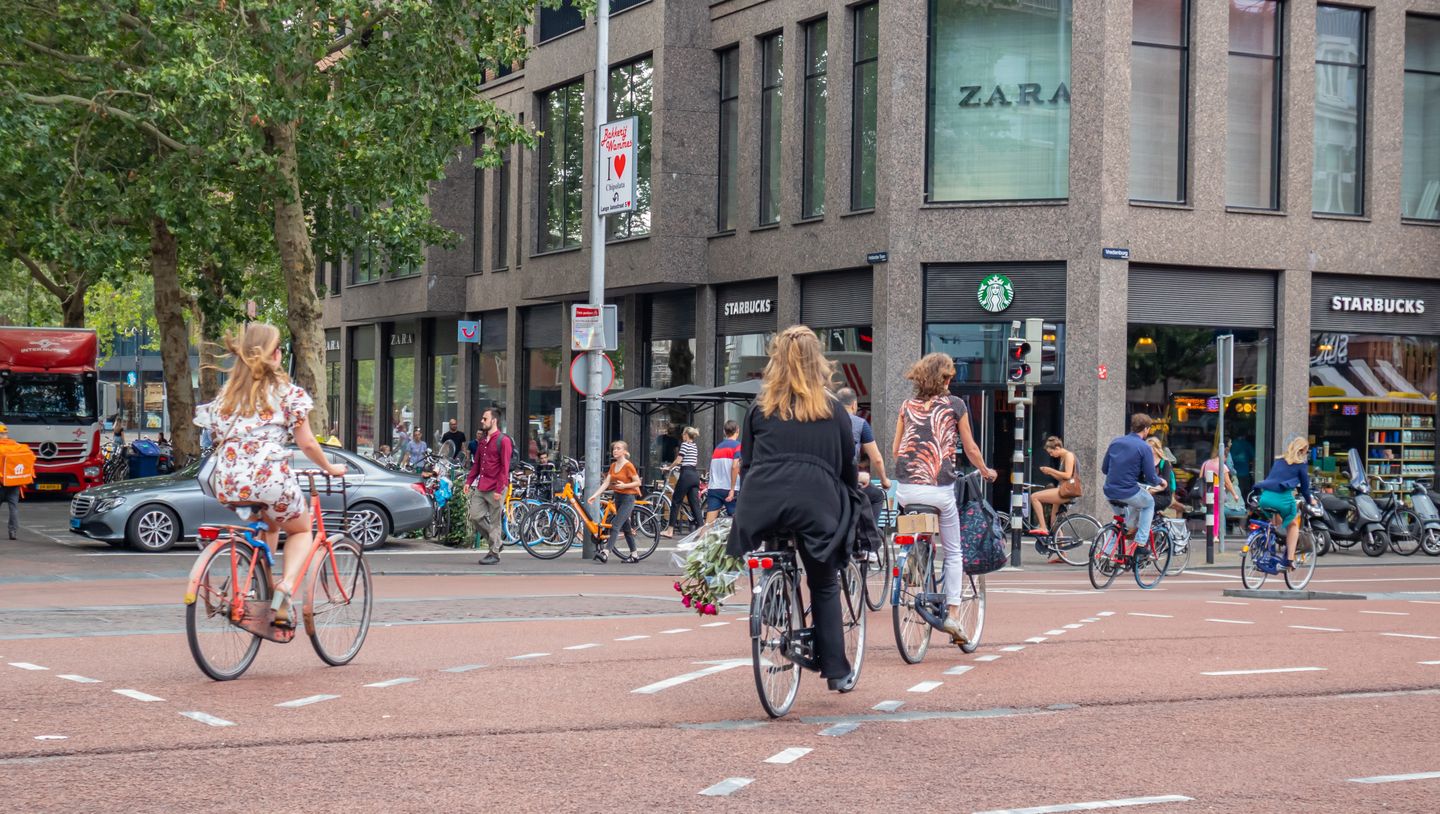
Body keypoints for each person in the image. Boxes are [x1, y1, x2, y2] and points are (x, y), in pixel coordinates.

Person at [726, 326, 862, 691]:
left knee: (774, 540)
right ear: (817, 361)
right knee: (823, 580)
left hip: (762, 500)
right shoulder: (834, 409)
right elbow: (845, 466)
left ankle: (774, 603)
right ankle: (835, 670)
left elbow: (750, 461)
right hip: (815, 502)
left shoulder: (760, 408)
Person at [193, 323, 346, 627]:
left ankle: (257, 584)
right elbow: (307, 443)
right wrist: (329, 467)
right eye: (279, 349)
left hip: (229, 481)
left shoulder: (227, 396)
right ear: (273, 354)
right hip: (269, 479)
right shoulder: (288, 394)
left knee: (269, 525)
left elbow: (214, 436)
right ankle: (285, 592)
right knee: (302, 530)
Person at [892, 353, 997, 643]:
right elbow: (971, 448)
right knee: (954, 552)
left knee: (919, 525)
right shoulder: (955, 405)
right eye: (950, 376)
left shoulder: (906, 406)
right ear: (945, 379)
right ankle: (951, 612)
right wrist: (986, 471)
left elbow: (895, 450)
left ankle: (917, 557)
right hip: (939, 491)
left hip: (905, 490)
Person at [1101, 413, 1165, 558]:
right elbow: (1151, 477)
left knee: (1120, 521)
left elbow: (1105, 469)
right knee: (1148, 503)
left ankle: (1106, 553)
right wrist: (1161, 481)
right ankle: (1141, 544)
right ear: (1146, 429)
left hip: (1109, 491)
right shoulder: (1144, 447)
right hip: (1128, 492)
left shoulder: (1115, 442)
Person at [1254, 437, 1314, 570]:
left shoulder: (1279, 461)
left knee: (1276, 522)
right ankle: (1289, 561)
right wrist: (1311, 501)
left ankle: (1267, 547)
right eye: (1306, 451)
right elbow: (1304, 489)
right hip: (1283, 499)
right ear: (1303, 450)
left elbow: (1274, 479)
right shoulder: (1301, 465)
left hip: (1265, 497)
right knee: (1293, 525)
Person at [837, 387, 890, 534]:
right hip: (849, 481)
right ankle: (868, 536)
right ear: (854, 404)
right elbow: (877, 459)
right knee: (877, 496)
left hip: (828, 480)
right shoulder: (860, 424)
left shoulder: (826, 421)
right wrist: (884, 480)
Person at [466, 407, 512, 565]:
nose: (481, 421)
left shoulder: (503, 441)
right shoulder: (482, 442)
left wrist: (499, 490)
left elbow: (505, 468)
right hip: (482, 485)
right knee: (475, 516)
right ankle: (497, 543)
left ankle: (494, 553)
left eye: (485, 419)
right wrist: (468, 481)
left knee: (495, 522)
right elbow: (477, 464)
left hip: (496, 487)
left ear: (494, 421)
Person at [587, 440, 643, 562]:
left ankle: (606, 553)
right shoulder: (613, 466)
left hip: (628, 498)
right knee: (627, 528)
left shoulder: (628, 466)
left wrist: (625, 486)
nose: (615, 451)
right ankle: (634, 555)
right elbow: (606, 483)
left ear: (624, 451)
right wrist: (594, 495)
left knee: (615, 525)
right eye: (614, 449)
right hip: (618, 497)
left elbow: (638, 482)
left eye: (618, 448)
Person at [1032, 436, 1079, 562]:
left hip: (1066, 491)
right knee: (1054, 522)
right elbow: (1063, 477)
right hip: (1064, 489)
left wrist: (1050, 470)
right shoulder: (1063, 457)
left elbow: (1068, 475)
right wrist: (1050, 473)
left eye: (1051, 452)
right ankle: (1062, 555)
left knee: (1034, 497)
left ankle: (1042, 527)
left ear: (1057, 447)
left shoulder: (1068, 455)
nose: (1051, 455)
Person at [661, 426, 702, 538]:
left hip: (686, 475)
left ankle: (670, 531)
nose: (682, 436)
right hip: (694, 475)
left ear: (685, 435)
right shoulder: (694, 446)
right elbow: (693, 461)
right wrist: (680, 467)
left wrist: (669, 468)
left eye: (683, 434)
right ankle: (702, 530)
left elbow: (679, 459)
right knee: (695, 504)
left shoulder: (685, 444)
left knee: (675, 501)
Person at [704, 420, 743, 523]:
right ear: (737, 431)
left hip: (714, 488)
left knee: (708, 524)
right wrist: (732, 488)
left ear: (725, 432)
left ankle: (703, 538)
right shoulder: (738, 446)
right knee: (738, 523)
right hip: (730, 489)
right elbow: (735, 466)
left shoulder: (718, 448)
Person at [1146, 437, 1180, 517]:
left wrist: (1152, 490)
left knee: (1144, 503)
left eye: (1148, 448)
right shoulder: (1146, 463)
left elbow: (1166, 483)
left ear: (1155, 449)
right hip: (1148, 493)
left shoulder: (1164, 463)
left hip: (1163, 496)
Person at [0, 423, 23, 540]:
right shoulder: (17, 446)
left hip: (0, 483)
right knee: (13, 508)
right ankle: (13, 532)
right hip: (14, 483)